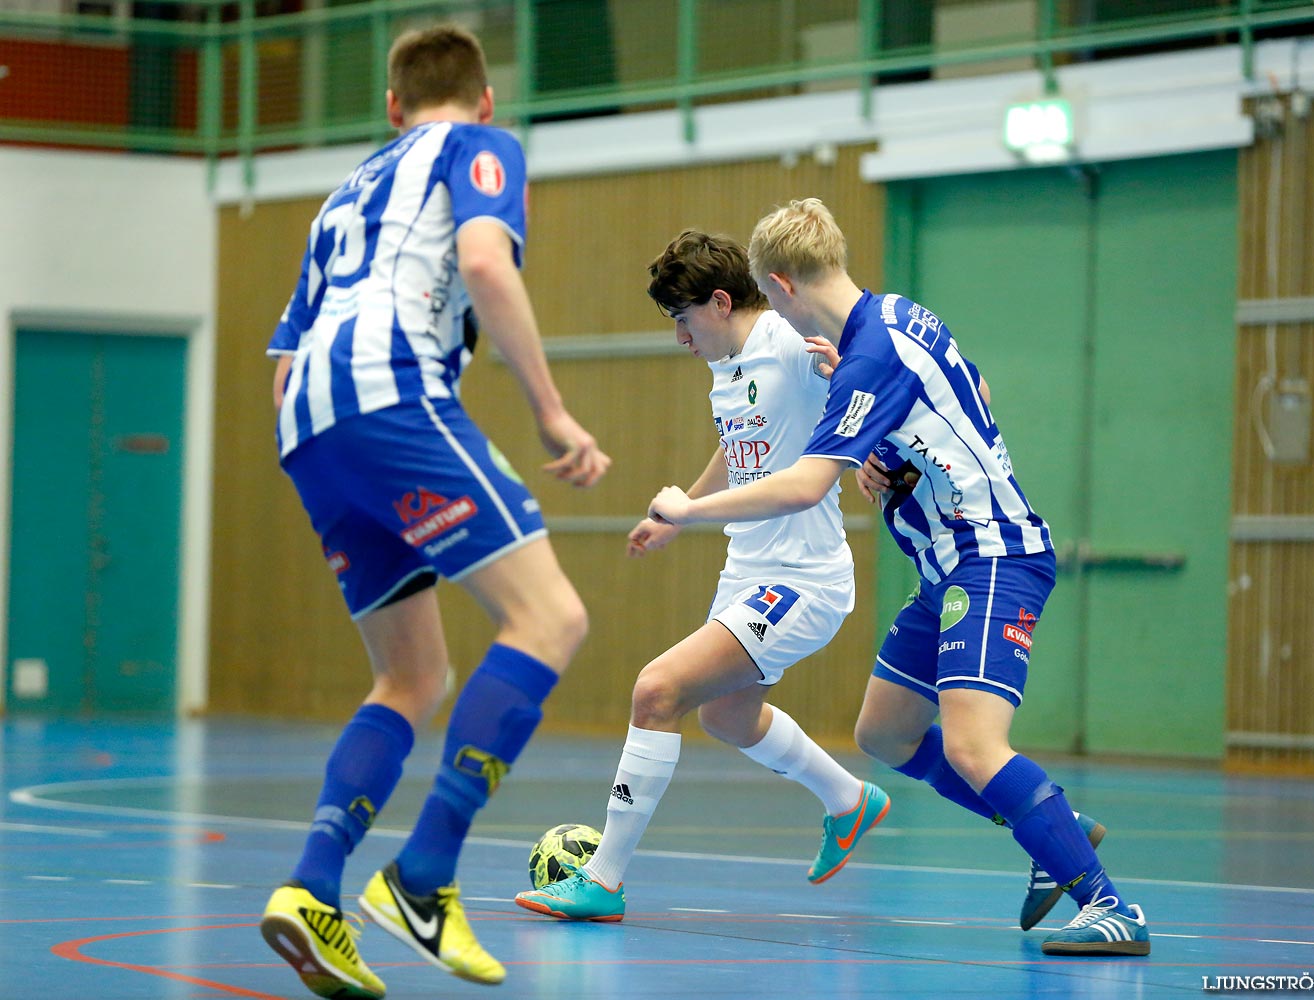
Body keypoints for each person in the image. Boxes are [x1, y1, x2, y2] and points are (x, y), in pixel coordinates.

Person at [646, 199, 1148, 956]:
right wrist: (898, 455)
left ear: (779, 286)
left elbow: (807, 484)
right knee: (885, 731)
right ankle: (1055, 828)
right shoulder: (894, 320)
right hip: (946, 567)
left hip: (991, 560)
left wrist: (690, 510)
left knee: (977, 747)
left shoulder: (866, 357)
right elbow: (970, 390)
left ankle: (1110, 906)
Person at [257, 24, 611, 999]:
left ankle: (313, 885)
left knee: (412, 674)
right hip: (390, 393)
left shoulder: (342, 196)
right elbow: (488, 264)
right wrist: (551, 412)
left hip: (306, 426)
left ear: (391, 107)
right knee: (553, 616)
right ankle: (423, 875)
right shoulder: (478, 147)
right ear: (486, 100)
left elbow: (286, 358)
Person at [513, 230, 888, 922]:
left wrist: (860, 415)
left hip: (803, 578)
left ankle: (603, 879)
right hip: (747, 567)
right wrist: (676, 515)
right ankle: (848, 799)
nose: (681, 339)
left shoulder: (785, 341)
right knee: (727, 715)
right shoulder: (726, 363)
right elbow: (740, 447)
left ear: (721, 302)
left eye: (684, 321)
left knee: (657, 690)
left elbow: (867, 389)